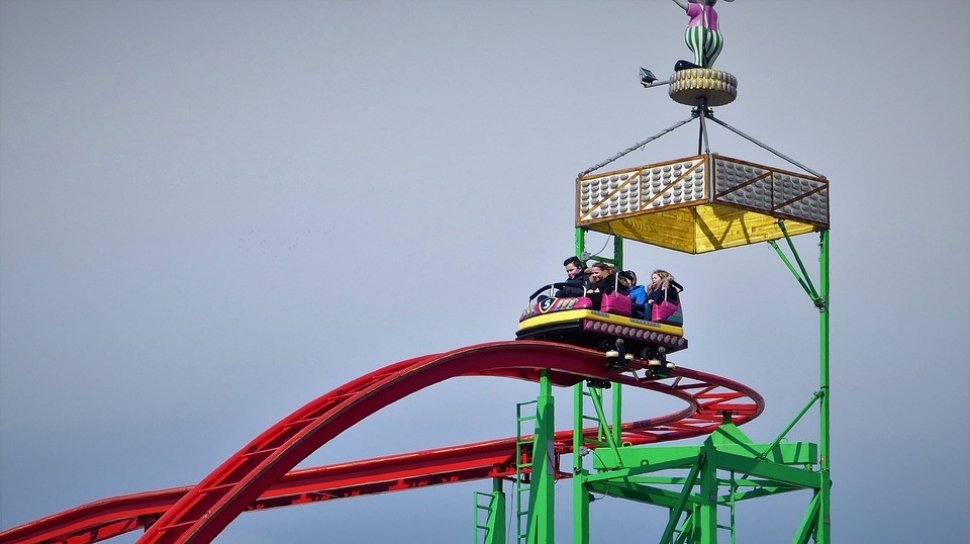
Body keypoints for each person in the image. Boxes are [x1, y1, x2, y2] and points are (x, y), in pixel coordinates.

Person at [672, 0, 733, 69]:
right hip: (709, 33)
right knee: (703, 47)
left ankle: (702, 65)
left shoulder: (703, 9)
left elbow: (686, 6)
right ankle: (703, 65)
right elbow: (686, 6)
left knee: (703, 47)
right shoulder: (706, 10)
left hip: (707, 32)